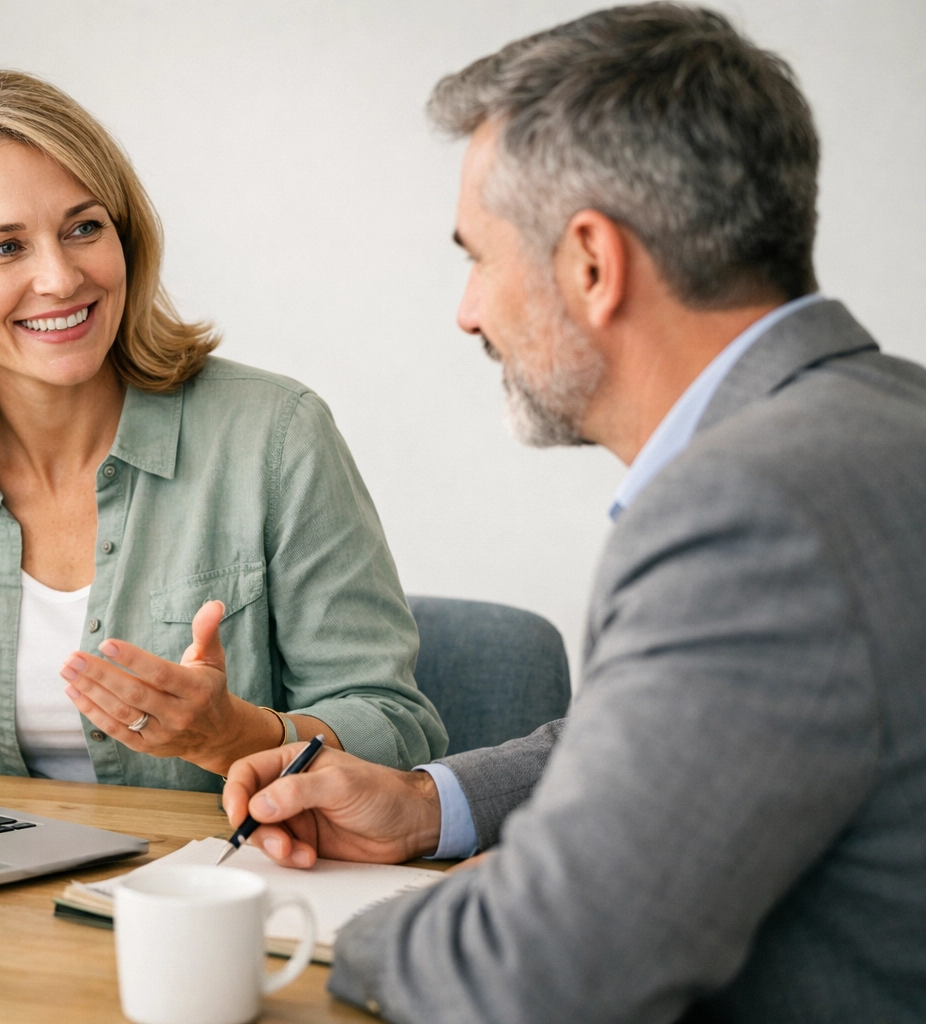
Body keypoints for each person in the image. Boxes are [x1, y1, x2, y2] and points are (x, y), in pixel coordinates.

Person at [222, 5, 926, 1021]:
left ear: (592, 263)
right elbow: (685, 735)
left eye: (477, 255)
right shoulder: (888, 416)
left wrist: (370, 920)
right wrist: (424, 808)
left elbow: (531, 975)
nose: (466, 310)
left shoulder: (750, 514)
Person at [0, 70, 445, 792]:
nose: (60, 278)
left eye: (84, 228)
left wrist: (237, 733)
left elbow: (396, 727)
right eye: (4, 248)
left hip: (207, 884)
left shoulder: (275, 435)